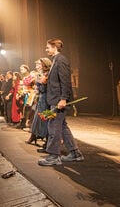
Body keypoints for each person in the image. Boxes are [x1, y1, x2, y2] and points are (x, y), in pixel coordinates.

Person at [38, 38, 84, 166]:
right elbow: (57, 81)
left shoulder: (61, 60)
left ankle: (54, 156)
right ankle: (75, 154)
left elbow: (65, 81)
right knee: (62, 126)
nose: (46, 49)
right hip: (56, 99)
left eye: (48, 47)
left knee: (54, 127)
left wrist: (63, 98)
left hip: (59, 100)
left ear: (55, 47)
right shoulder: (56, 60)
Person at [25, 58, 52, 148]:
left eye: (40, 64)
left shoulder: (47, 74)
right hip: (41, 98)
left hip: (45, 99)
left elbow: (44, 89)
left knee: (43, 118)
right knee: (37, 117)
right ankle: (34, 136)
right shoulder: (41, 74)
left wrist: (40, 85)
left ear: (45, 65)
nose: (38, 66)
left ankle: (46, 140)